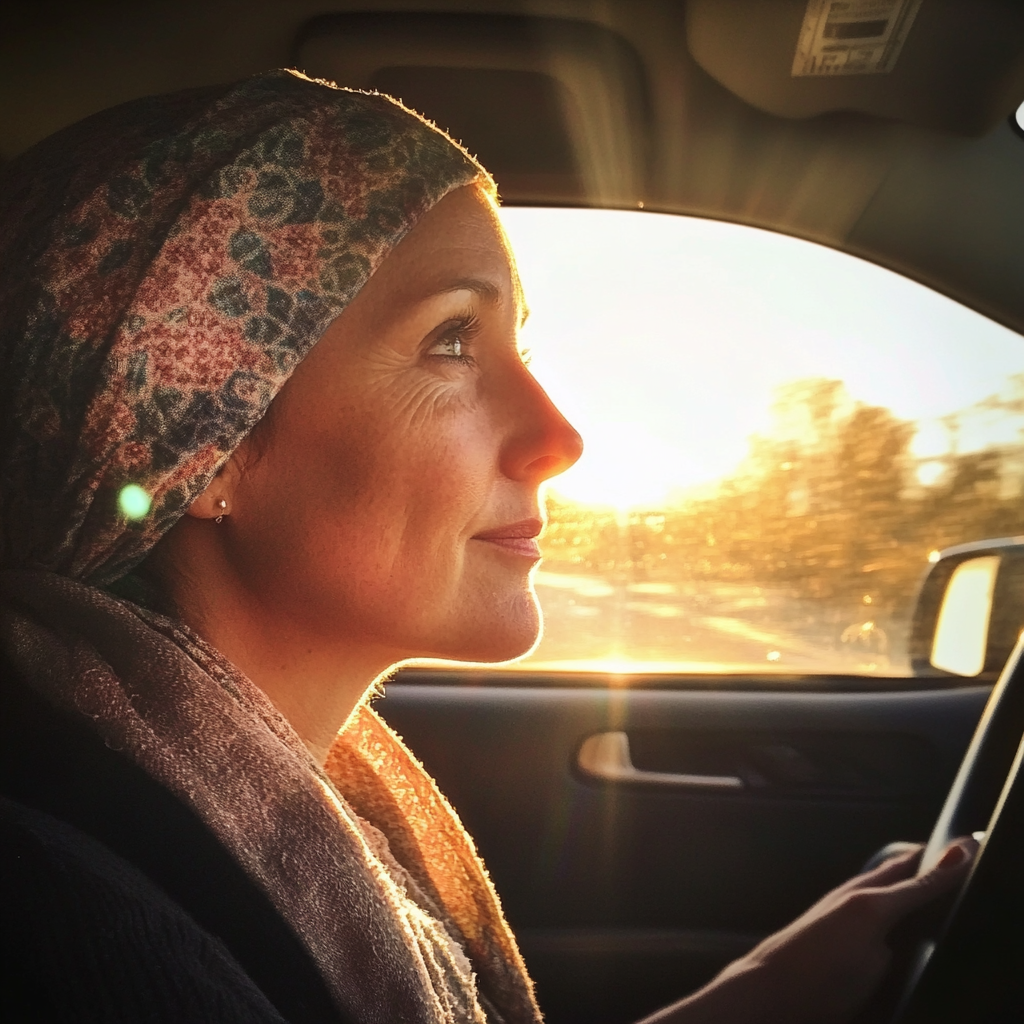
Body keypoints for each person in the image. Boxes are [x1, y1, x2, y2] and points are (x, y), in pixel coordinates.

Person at [0, 69, 974, 1024]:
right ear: (203, 442)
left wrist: (757, 994)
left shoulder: (214, 812)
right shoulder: (78, 932)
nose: (560, 436)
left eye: (523, 349)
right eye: (453, 340)